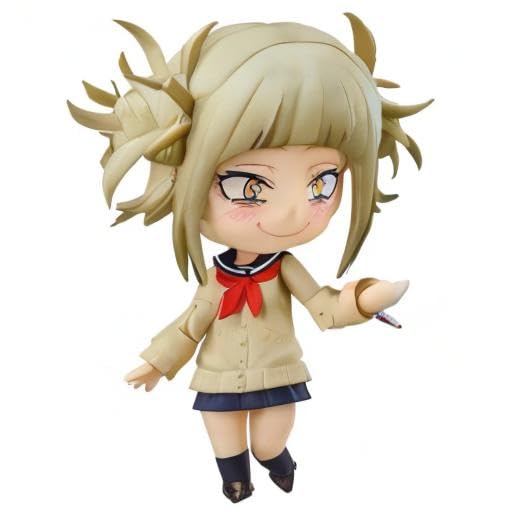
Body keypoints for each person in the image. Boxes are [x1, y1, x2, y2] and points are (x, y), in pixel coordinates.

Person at [67, 13, 432, 503]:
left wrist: (363, 299)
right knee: (223, 434)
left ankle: (276, 461)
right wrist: (158, 363)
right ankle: (234, 480)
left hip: (278, 372)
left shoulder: (284, 269)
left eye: (322, 182)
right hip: (217, 374)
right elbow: (190, 324)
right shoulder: (215, 278)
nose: (291, 212)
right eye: (248, 185)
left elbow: (324, 308)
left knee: (268, 441)